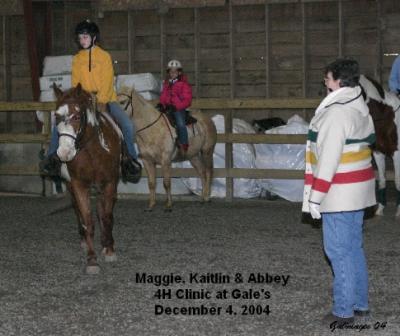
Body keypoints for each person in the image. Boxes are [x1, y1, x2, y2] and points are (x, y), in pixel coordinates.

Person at [302, 58, 376, 325]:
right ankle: (360, 304)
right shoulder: (359, 107)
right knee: (353, 248)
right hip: (358, 189)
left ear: (338, 81)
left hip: (339, 191)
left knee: (338, 251)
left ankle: (343, 311)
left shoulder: (335, 113)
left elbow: (328, 159)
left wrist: (316, 196)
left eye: (327, 78)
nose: (325, 82)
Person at [39, 19, 141, 183]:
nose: (82, 40)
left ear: (93, 37)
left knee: (127, 125)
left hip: (105, 99)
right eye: (80, 38)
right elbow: (75, 84)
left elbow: (107, 81)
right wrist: (79, 100)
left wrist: (100, 101)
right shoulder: (77, 59)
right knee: (59, 123)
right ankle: (52, 158)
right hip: (83, 100)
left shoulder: (104, 56)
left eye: (85, 37)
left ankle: (131, 161)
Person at [159, 59, 193, 153]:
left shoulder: (184, 85)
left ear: (179, 72)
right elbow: (163, 95)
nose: (172, 73)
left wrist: (177, 106)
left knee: (180, 123)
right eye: (171, 71)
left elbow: (187, 100)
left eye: (175, 71)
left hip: (178, 109)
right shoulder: (167, 84)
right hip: (167, 108)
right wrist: (161, 104)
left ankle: (184, 143)